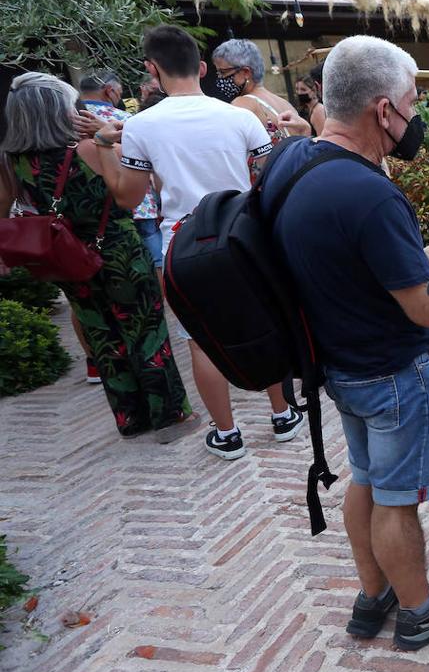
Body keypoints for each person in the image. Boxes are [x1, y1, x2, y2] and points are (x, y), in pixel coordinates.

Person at [261, 35, 429, 651]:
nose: (417, 116)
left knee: (365, 477)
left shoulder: (292, 161)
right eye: (412, 102)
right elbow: (427, 308)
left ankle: (374, 594)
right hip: (391, 374)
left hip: (338, 368)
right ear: (383, 110)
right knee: (395, 499)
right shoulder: (369, 194)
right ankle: (420, 609)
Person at [93, 25, 306, 459]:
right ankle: (282, 415)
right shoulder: (240, 117)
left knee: (201, 337)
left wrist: (102, 146)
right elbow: (269, 178)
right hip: (244, 236)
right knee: (260, 320)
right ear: (203, 67)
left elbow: (128, 196)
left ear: (152, 70)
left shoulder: (140, 126)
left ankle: (227, 434)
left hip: (184, 243)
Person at [0, 73, 192, 438]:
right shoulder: (88, 149)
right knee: (146, 331)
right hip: (120, 253)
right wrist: (106, 140)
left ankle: (130, 419)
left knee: (102, 336)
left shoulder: (11, 162)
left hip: (67, 259)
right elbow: (128, 198)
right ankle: (168, 415)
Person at [79, 70, 165, 272]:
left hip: (93, 204)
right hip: (139, 203)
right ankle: (159, 300)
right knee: (155, 259)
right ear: (109, 91)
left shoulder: (70, 120)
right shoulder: (126, 120)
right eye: (119, 91)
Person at [210, 38, 309, 140]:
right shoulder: (285, 104)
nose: (220, 78)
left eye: (223, 72)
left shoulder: (242, 104)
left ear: (246, 72)